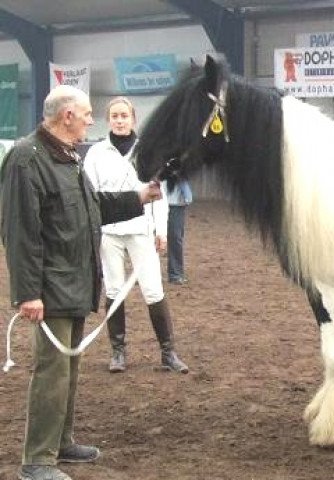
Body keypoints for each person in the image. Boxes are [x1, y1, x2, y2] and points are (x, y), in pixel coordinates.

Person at [0, 85, 163, 480]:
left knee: (68, 367)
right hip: (50, 288)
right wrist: (28, 293)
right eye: (87, 113)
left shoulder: (69, 157)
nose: (93, 121)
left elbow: (94, 208)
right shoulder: (27, 159)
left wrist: (141, 196)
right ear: (66, 115)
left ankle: (62, 441)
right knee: (52, 370)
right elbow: (20, 231)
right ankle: (37, 460)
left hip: (74, 282)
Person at [84, 96, 188, 375]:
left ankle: (168, 352)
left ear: (133, 119)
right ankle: (118, 352)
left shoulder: (148, 150)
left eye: (124, 116)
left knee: (153, 289)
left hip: (141, 230)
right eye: (115, 116)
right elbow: (89, 196)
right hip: (110, 232)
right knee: (115, 290)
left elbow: (159, 193)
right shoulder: (95, 154)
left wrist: (162, 230)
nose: (119, 120)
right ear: (109, 120)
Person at [167, 180, 193, 284]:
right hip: (156, 201)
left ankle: (175, 274)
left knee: (175, 238)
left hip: (175, 203)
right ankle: (143, 274)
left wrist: (187, 195)